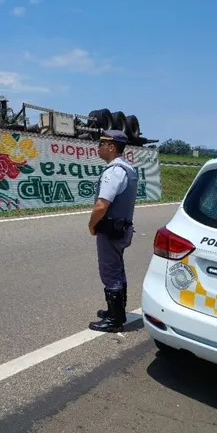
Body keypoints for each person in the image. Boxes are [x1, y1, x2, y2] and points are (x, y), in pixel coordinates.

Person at [87, 129, 139, 333]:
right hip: (122, 228)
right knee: (117, 269)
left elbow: (102, 205)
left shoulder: (114, 171)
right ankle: (116, 312)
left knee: (109, 272)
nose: (98, 147)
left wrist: (91, 225)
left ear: (111, 146)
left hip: (111, 230)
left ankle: (114, 319)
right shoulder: (128, 169)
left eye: (101, 144)